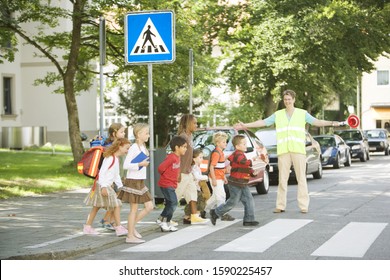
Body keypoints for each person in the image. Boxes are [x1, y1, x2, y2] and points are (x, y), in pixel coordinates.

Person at [235, 89, 341, 214]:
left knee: (301, 178)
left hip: (298, 150)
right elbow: (263, 122)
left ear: (294, 100)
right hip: (284, 151)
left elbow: (317, 122)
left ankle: (303, 206)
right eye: (285, 99)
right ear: (283, 100)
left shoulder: (302, 113)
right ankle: (280, 205)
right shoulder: (278, 114)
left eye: (289, 99)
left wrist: (333, 123)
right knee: (282, 179)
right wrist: (246, 125)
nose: (287, 101)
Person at [83, 138, 130, 236]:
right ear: (119, 147)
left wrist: (121, 186)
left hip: (104, 185)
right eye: (126, 148)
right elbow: (102, 173)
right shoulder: (110, 158)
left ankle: (87, 227)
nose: (127, 150)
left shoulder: (115, 159)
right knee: (117, 204)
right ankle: (118, 227)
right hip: (103, 185)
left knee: (97, 207)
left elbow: (116, 175)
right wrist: (104, 187)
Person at [210, 134, 259, 226]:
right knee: (233, 201)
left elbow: (243, 166)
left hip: (241, 182)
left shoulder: (241, 154)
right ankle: (216, 212)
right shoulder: (237, 154)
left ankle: (249, 219)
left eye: (245, 144)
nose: (246, 146)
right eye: (244, 144)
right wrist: (253, 161)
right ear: (237, 146)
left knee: (249, 200)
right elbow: (243, 162)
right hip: (236, 183)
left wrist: (252, 173)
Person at [118, 123, 154, 244]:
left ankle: (131, 227)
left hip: (140, 181)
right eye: (146, 133)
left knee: (149, 206)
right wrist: (140, 164)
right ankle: (130, 236)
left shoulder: (143, 147)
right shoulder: (133, 147)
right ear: (139, 134)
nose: (148, 135)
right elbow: (126, 165)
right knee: (134, 209)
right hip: (133, 181)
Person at [176, 114, 208, 225]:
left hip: (188, 171)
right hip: (182, 171)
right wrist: (178, 172)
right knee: (176, 195)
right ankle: (165, 218)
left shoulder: (189, 136)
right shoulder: (183, 137)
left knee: (193, 193)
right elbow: (178, 155)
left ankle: (194, 216)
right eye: (194, 123)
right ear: (187, 123)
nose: (196, 125)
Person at [157, 136, 188, 232]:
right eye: (184, 147)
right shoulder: (172, 157)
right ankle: (164, 221)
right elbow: (160, 168)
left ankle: (163, 220)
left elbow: (175, 170)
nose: (185, 149)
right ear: (177, 147)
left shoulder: (178, 157)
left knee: (171, 203)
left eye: (186, 147)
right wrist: (166, 176)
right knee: (173, 202)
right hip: (166, 183)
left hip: (171, 184)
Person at [99, 123, 126, 231]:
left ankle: (110, 221)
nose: (124, 134)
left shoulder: (120, 144)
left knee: (117, 202)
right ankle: (108, 221)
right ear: (114, 134)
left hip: (119, 177)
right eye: (121, 132)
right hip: (111, 179)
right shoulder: (110, 147)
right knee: (116, 202)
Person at [204, 132, 235, 221]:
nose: (225, 143)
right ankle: (223, 213)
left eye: (226, 142)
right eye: (223, 142)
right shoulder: (216, 153)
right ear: (217, 143)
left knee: (215, 197)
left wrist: (224, 177)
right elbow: (212, 167)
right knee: (221, 196)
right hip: (215, 178)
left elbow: (220, 166)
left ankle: (204, 209)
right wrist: (213, 179)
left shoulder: (221, 152)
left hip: (219, 177)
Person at [183, 148, 211, 219]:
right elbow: (196, 176)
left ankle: (187, 217)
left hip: (196, 187)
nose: (202, 159)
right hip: (194, 188)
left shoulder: (197, 167)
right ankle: (196, 216)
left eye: (202, 157)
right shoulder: (193, 167)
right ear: (194, 159)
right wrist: (205, 177)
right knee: (199, 202)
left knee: (194, 202)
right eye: (200, 157)